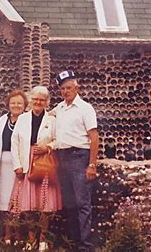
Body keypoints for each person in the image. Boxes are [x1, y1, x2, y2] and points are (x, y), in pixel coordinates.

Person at [9, 86, 62, 251]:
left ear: (47, 102)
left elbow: (59, 140)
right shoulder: (23, 119)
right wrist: (17, 165)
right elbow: (15, 142)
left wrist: (47, 147)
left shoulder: (52, 120)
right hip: (26, 162)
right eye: (35, 99)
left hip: (44, 163)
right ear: (30, 101)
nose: (38, 102)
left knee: (45, 205)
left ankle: (43, 239)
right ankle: (31, 239)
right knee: (29, 205)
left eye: (42, 100)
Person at [53, 71, 98, 251]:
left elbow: (94, 137)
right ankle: (74, 244)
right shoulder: (59, 108)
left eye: (69, 88)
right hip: (62, 159)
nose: (65, 92)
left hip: (79, 158)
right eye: (62, 89)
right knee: (69, 204)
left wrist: (92, 165)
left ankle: (85, 246)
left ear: (76, 88)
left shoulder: (85, 108)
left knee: (82, 203)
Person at [0, 89, 28, 244]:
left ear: (25, 105)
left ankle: (19, 234)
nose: (16, 105)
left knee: (20, 198)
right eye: (13, 102)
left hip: (21, 163)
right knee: (5, 198)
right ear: (8, 104)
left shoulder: (27, 120)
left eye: (19, 103)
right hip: (5, 161)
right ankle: (7, 234)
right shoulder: (2, 119)